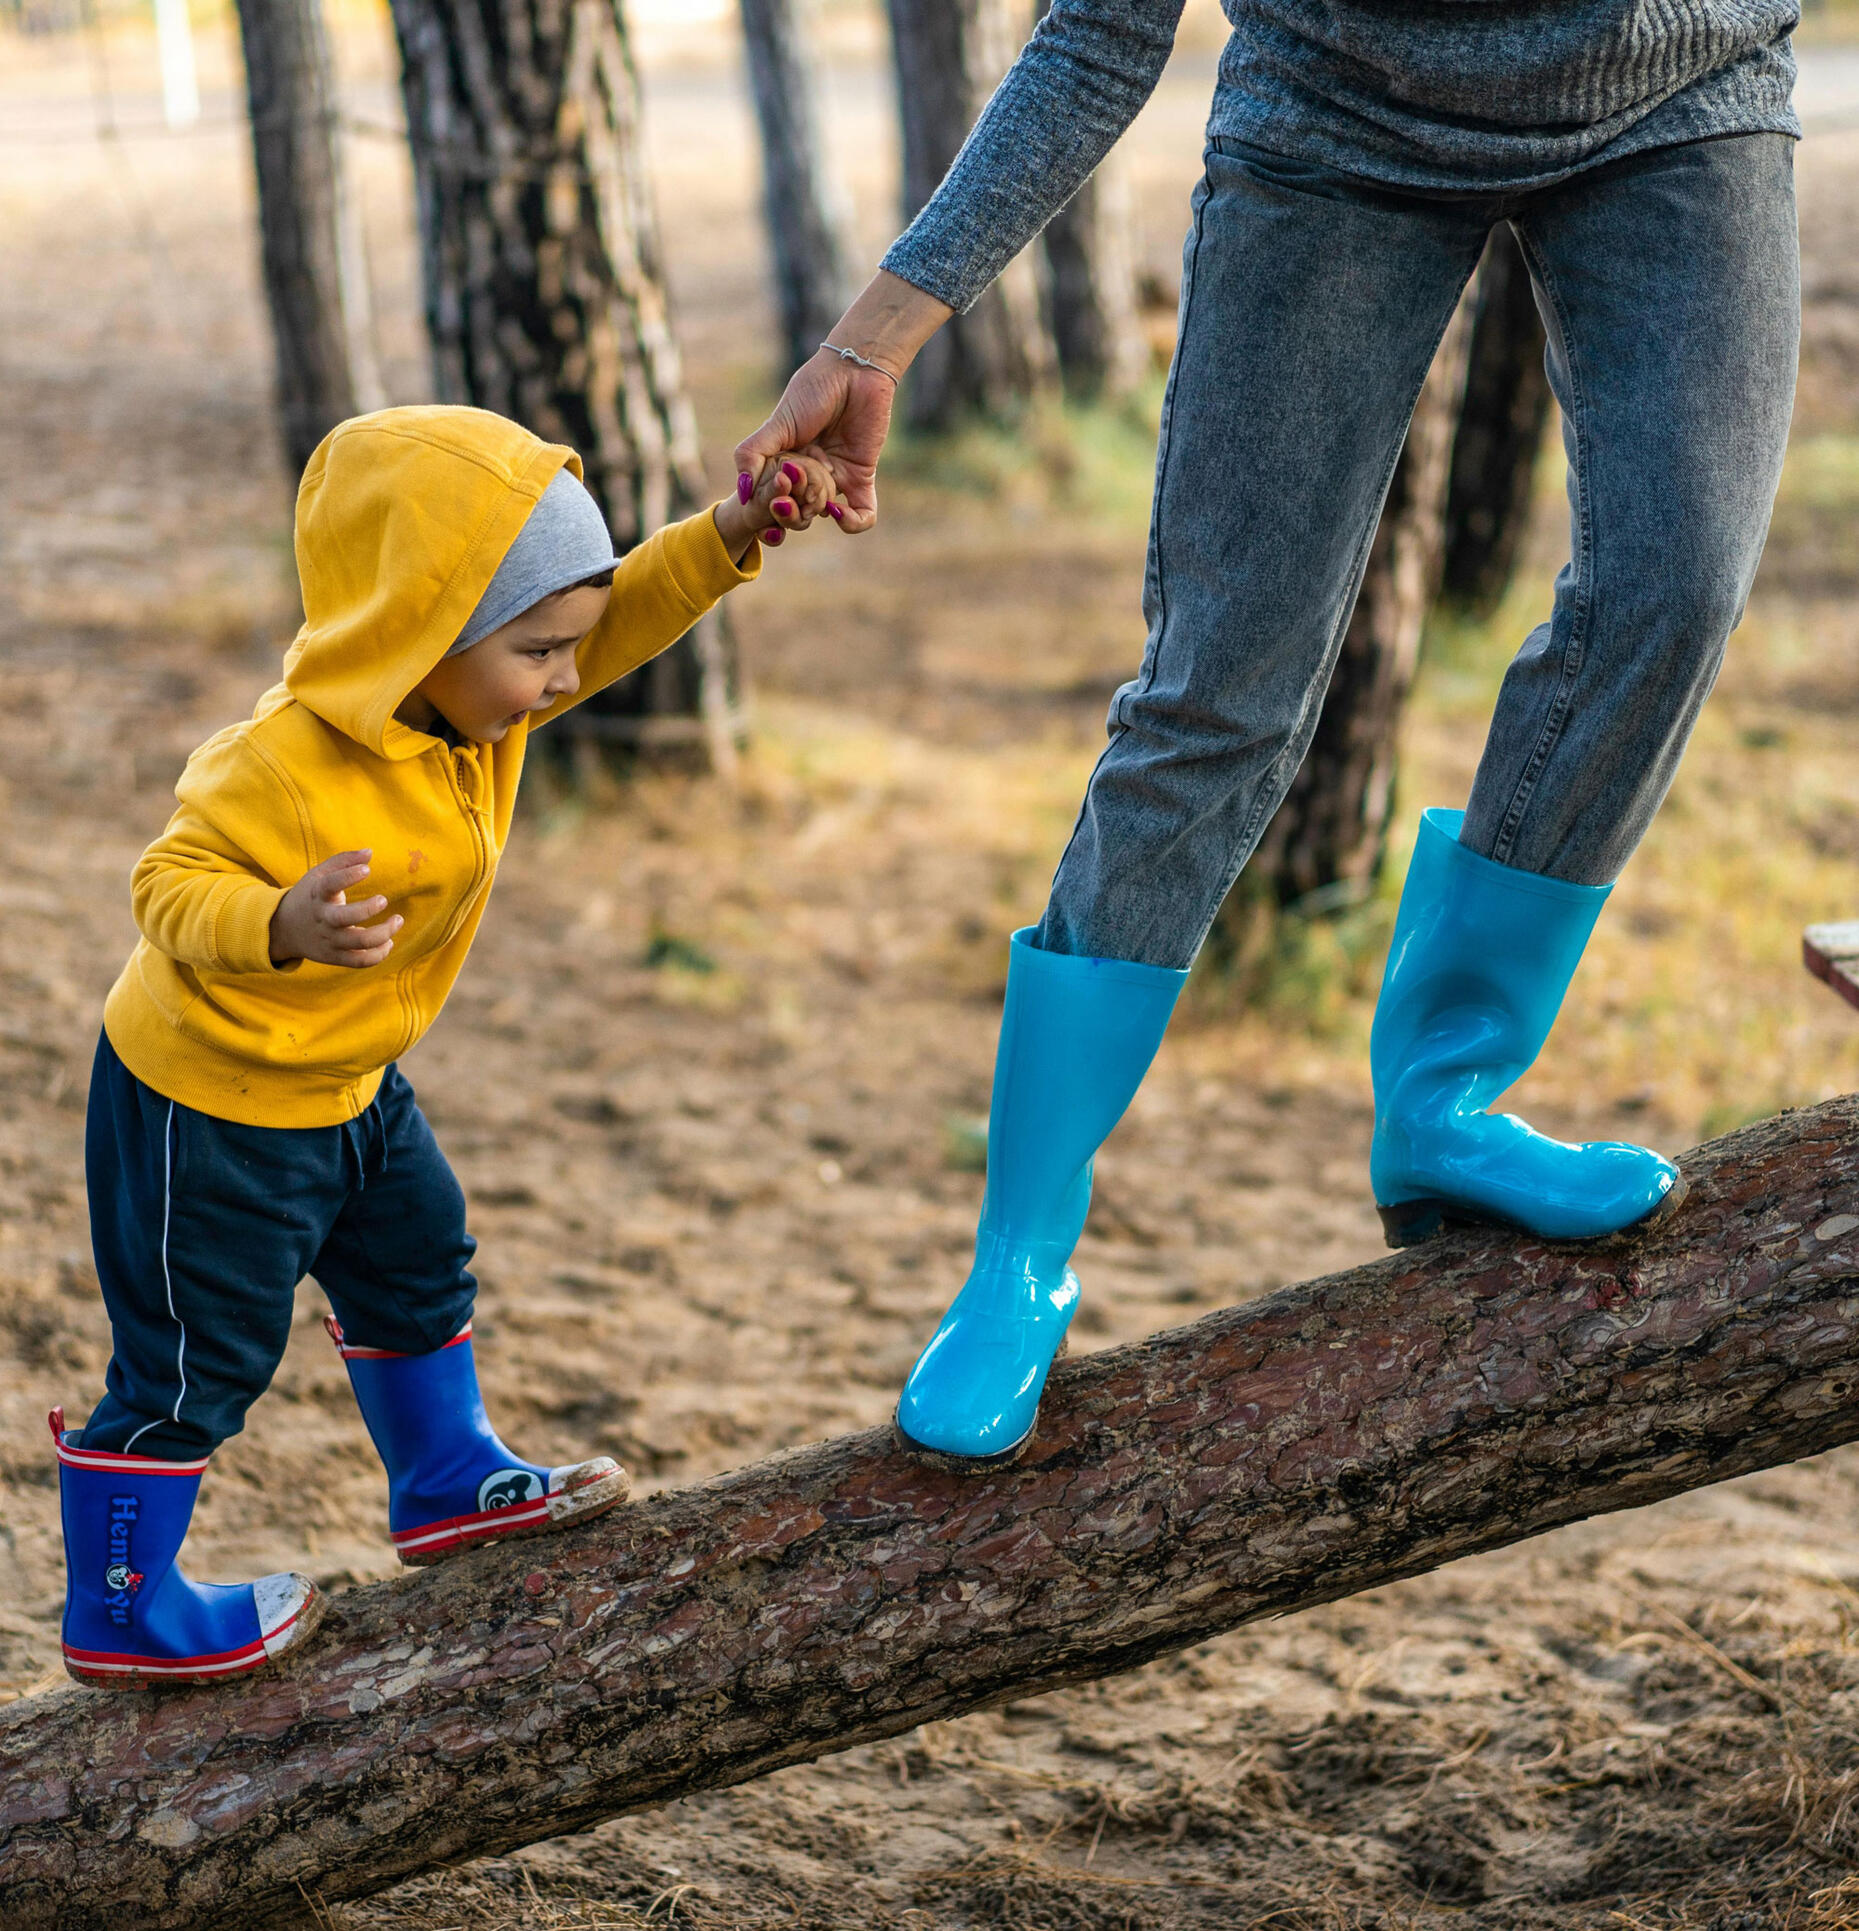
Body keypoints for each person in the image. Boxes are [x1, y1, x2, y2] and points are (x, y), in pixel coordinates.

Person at [736, 0, 1802, 1466]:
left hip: (1680, 94)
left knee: (1672, 596)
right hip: (1335, 122)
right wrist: (880, 332)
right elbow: (1100, 31)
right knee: (1215, 693)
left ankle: (1443, 1099)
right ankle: (1019, 1255)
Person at [55, 406, 836, 1686]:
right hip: (214, 1102)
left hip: (352, 1082)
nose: (564, 678)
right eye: (537, 650)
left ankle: (444, 1477)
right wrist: (277, 920)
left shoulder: (480, 703)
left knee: (420, 1258)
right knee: (201, 1357)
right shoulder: (283, 763)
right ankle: (121, 1602)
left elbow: (617, 614)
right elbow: (163, 881)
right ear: (422, 630)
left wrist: (730, 532)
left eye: (562, 648)